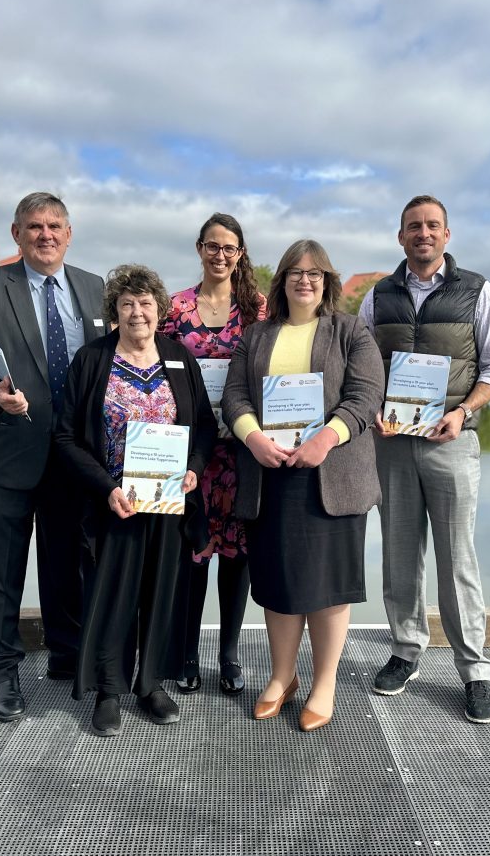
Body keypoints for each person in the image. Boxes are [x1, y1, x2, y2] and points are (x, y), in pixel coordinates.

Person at [0, 192, 105, 722]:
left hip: (73, 455)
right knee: (3, 568)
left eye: (55, 226)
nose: (46, 235)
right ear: (16, 233)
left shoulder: (92, 287)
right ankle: (1, 671)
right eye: (35, 226)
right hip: (12, 450)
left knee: (68, 563)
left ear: (69, 231)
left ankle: (66, 656)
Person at [359, 194, 490, 724]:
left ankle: (474, 671)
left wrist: (463, 412)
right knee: (400, 554)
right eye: (412, 227)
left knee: (457, 558)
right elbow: (364, 367)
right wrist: (374, 409)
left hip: (451, 439)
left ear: (447, 235)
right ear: (400, 237)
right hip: (393, 443)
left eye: (432, 226)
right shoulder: (378, 296)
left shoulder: (476, 290)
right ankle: (406, 651)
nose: (422, 234)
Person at [223, 239, 384, 732]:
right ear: (283, 281)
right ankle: (281, 676)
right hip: (271, 475)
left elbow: (365, 393)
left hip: (330, 475)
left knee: (329, 585)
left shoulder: (350, 330)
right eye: (295, 272)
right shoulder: (257, 335)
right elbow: (234, 394)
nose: (305, 280)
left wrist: (326, 439)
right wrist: (252, 439)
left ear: (328, 282)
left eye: (315, 273)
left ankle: (324, 682)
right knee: (277, 582)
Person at [55, 264, 217, 737]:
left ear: (159, 309)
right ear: (114, 311)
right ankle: (109, 688)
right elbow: (65, 436)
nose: (137, 312)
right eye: (127, 304)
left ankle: (150, 684)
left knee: (161, 590)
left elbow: (204, 425)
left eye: (145, 303)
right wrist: (105, 488)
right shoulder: (92, 360)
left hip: (168, 503)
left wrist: (194, 469)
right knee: (112, 594)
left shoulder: (179, 359)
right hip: (115, 503)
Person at [159, 213, 266, 696]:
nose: (220, 255)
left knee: (238, 553)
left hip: (243, 448)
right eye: (212, 246)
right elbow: (156, 369)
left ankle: (228, 654)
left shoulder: (258, 308)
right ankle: (186, 652)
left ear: (240, 254)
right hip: (192, 451)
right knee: (195, 549)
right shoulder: (175, 309)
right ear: (199, 248)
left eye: (230, 248)